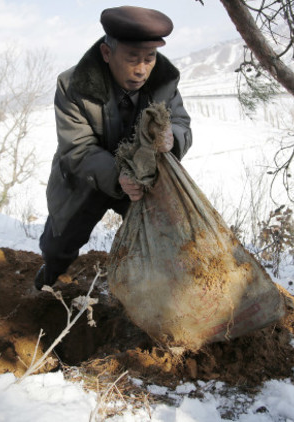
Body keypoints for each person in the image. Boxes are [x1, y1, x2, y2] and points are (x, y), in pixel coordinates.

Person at [35, 6, 193, 290]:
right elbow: (77, 148)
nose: (142, 69)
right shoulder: (73, 85)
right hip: (84, 179)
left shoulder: (163, 80)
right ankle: (48, 282)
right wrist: (118, 174)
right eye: (132, 58)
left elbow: (181, 122)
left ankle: (148, 302)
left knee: (161, 240)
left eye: (149, 58)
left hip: (141, 182)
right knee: (58, 244)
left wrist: (174, 137)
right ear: (107, 54)